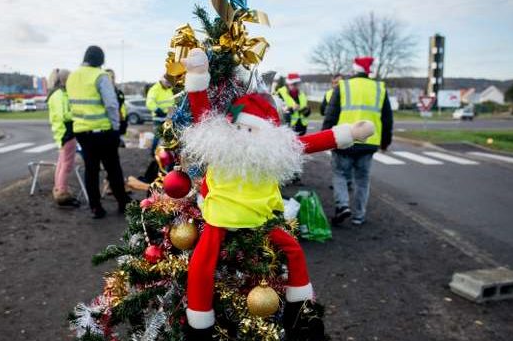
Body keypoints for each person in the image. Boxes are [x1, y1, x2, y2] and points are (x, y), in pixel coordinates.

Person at [180, 48, 375, 340]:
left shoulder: (269, 152)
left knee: (292, 252)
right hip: (223, 217)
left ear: (268, 134)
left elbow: (310, 142)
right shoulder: (220, 142)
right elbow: (201, 111)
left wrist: (349, 133)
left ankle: (300, 313)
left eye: (252, 129)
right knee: (202, 263)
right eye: (242, 127)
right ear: (232, 125)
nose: (246, 135)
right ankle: (200, 324)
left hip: (257, 218)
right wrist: (197, 75)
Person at [322, 56, 394, 226]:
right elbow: (387, 118)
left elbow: (331, 114)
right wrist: (385, 141)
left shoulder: (344, 86)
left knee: (339, 174)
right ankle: (359, 216)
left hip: (344, 140)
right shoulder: (379, 88)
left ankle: (343, 205)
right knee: (362, 180)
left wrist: (325, 138)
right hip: (368, 143)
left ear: (354, 70)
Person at [66, 46, 131, 219]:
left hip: (82, 131)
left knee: (91, 169)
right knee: (113, 168)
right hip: (103, 131)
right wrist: (116, 127)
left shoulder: (72, 76)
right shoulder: (100, 75)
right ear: (101, 60)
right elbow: (111, 104)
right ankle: (123, 203)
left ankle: (95, 207)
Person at [46, 68, 80, 208]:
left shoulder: (55, 93)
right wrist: (78, 114)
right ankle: (62, 192)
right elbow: (64, 115)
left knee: (61, 163)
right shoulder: (60, 94)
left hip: (61, 132)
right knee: (67, 165)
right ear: (65, 80)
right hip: (66, 132)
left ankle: (59, 188)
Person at [145, 75, 175, 154]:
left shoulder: (169, 90)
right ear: (162, 80)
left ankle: (167, 154)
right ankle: (153, 152)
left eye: (169, 83)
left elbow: (171, 102)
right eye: (167, 82)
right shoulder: (155, 89)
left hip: (168, 117)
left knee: (168, 135)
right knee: (158, 136)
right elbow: (149, 103)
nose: (168, 85)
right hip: (158, 117)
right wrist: (158, 110)